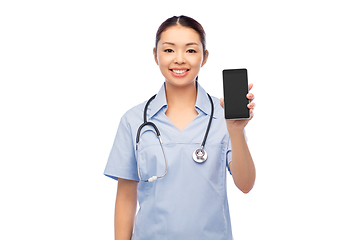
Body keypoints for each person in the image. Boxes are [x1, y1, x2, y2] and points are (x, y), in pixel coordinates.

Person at [104, 15, 256, 240]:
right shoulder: (133, 120)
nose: (179, 59)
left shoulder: (225, 116)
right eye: (168, 50)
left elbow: (245, 184)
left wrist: (235, 130)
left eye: (191, 50)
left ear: (204, 58)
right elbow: (126, 197)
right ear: (155, 56)